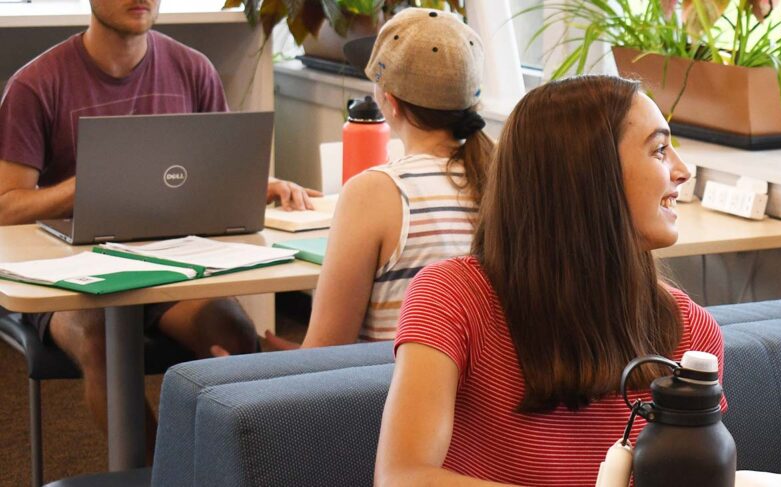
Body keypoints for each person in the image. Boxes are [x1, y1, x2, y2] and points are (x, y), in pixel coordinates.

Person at [374, 75, 722, 486]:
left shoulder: (692, 330)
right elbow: (402, 477)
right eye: (660, 150)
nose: (681, 171)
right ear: (590, 174)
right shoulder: (451, 297)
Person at [0, 0, 317, 438]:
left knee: (237, 337)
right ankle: (155, 474)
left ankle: (218, 463)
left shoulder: (193, 69)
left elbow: (214, 171)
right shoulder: (36, 83)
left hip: (171, 264)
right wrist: (89, 185)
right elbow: (6, 205)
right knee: (101, 344)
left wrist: (264, 184)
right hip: (70, 277)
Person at [256, 8, 493, 351]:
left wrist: (260, 355)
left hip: (388, 395)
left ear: (389, 102)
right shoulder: (505, 174)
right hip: (488, 395)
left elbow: (323, 356)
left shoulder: (377, 191)